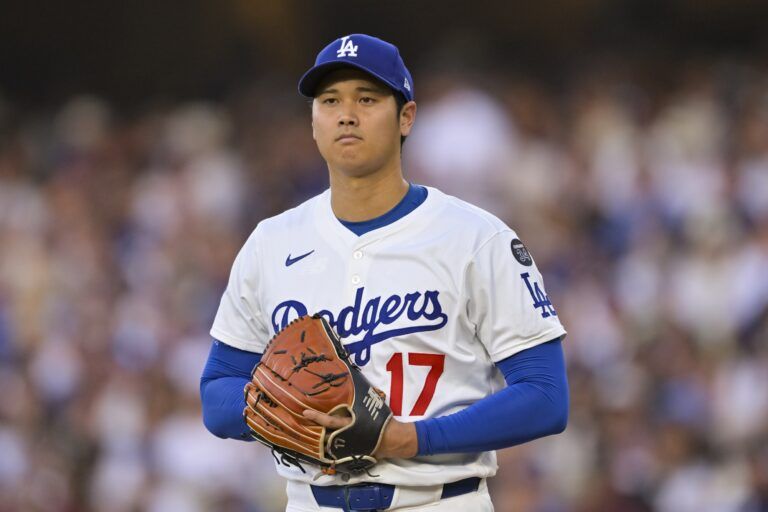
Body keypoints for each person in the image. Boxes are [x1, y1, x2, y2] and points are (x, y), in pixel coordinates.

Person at [200, 33, 569, 512]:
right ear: (313, 122)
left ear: (406, 118)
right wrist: (287, 415)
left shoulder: (477, 238)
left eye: (367, 99)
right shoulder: (271, 244)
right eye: (330, 100)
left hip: (439, 500)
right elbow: (217, 390)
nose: (346, 114)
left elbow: (544, 395)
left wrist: (410, 438)